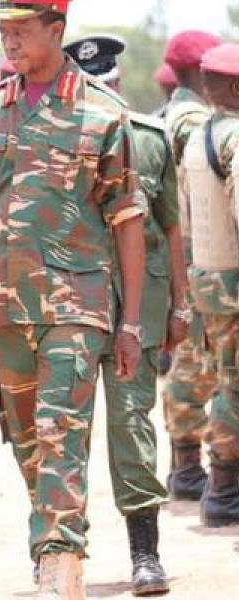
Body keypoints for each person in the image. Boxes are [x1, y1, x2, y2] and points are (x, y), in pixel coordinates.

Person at [0, 2, 145, 598]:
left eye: (22, 29)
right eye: (4, 30)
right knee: (27, 439)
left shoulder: (102, 112)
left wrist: (130, 323)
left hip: (78, 303)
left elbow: (128, 220)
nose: (10, 40)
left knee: (60, 430)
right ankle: (57, 533)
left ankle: (58, 561)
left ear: (58, 30)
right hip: (3, 305)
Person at [66, 34, 190, 596]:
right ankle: (63, 551)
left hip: (138, 305)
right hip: (72, 301)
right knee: (63, 427)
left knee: (133, 420)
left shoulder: (151, 137)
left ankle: (145, 553)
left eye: (107, 85)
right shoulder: (58, 139)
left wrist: (182, 302)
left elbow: (170, 225)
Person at [180, 42, 239, 528]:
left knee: (227, 379)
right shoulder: (236, 137)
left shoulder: (200, 134)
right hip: (234, 282)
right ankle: (224, 490)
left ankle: (222, 487)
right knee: (235, 388)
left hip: (207, 279)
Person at [161, 30, 221, 502]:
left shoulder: (173, 113)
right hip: (199, 252)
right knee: (202, 362)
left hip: (181, 253)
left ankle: (184, 465)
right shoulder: (192, 121)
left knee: (191, 356)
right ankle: (193, 469)